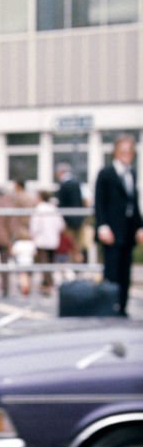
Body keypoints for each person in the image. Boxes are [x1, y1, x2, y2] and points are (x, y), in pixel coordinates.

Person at [94, 134, 143, 315]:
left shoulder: (133, 173)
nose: (126, 154)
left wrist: (140, 226)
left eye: (129, 151)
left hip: (129, 230)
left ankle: (122, 307)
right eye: (123, 150)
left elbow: (134, 203)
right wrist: (102, 226)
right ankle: (109, 306)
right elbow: (99, 203)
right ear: (115, 151)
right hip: (111, 231)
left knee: (125, 271)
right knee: (112, 270)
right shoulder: (106, 173)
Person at [30, 190, 64, 296]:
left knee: (44, 264)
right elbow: (61, 225)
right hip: (53, 240)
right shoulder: (53, 208)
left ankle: (48, 285)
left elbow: (34, 226)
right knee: (50, 263)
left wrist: (33, 236)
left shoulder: (39, 209)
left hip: (42, 240)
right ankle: (48, 283)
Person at [55, 162, 85, 263]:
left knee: (70, 246)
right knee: (77, 246)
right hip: (79, 219)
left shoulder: (64, 186)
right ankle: (78, 267)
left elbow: (62, 205)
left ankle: (74, 268)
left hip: (68, 221)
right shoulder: (77, 183)